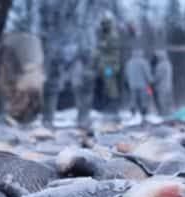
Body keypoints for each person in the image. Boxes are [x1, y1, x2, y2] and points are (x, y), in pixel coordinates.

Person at [38, 1, 103, 129]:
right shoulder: (52, 6)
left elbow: (95, 19)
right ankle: (47, 120)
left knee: (83, 84)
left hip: (81, 46)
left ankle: (83, 118)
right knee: (51, 85)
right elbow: (45, 19)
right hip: (57, 44)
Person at [95, 16, 123, 116]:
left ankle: (113, 107)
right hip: (104, 65)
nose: (104, 26)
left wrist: (114, 65)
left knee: (110, 85)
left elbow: (115, 53)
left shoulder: (113, 36)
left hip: (110, 66)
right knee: (105, 85)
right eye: (103, 24)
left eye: (105, 24)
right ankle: (106, 106)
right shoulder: (103, 35)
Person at [125, 49, 153, 118]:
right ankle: (143, 114)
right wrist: (151, 81)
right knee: (143, 100)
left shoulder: (129, 62)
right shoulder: (143, 62)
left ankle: (133, 113)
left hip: (132, 84)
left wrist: (128, 82)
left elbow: (126, 74)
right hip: (142, 85)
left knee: (133, 100)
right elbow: (147, 73)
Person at [152, 50, 174, 117]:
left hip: (161, 86)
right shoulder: (168, 63)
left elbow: (157, 77)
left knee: (162, 102)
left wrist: (152, 81)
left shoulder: (160, 65)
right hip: (168, 85)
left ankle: (163, 115)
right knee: (168, 101)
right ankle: (169, 114)